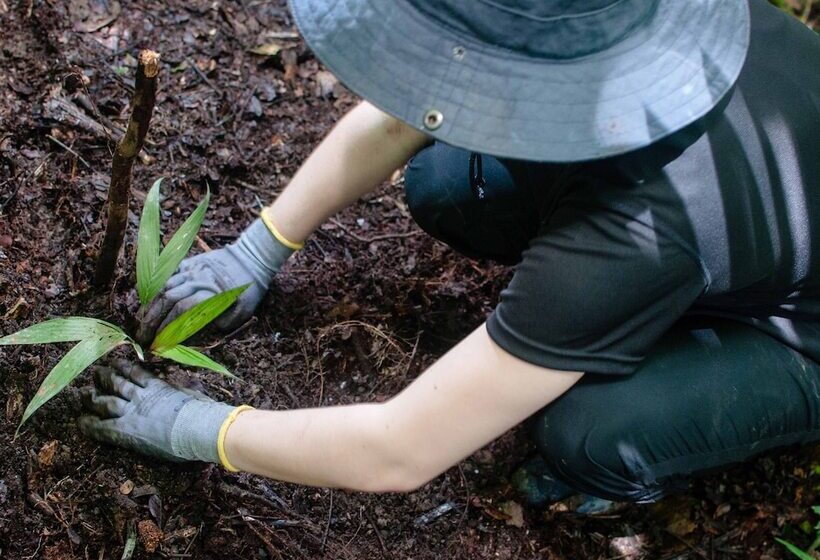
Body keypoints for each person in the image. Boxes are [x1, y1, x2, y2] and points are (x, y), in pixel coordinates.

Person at [79, 0, 820, 509]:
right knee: (446, 179)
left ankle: (651, 440)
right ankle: (656, 309)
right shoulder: (635, 22)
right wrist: (259, 249)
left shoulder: (634, 232)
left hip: (797, 332)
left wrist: (192, 427)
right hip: (738, 228)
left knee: (588, 433)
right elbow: (414, 111)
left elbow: (399, 451)